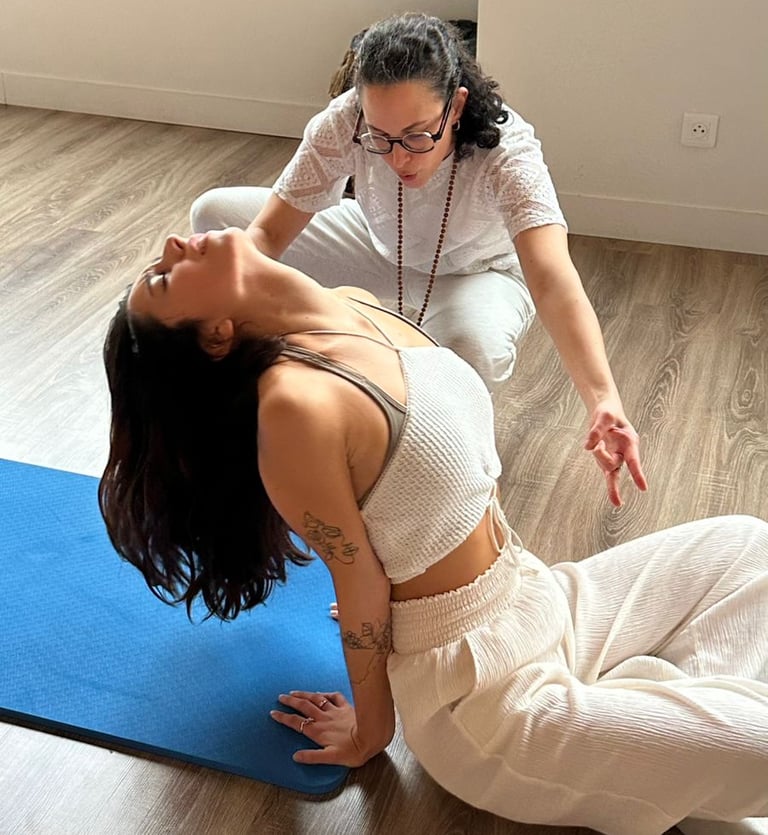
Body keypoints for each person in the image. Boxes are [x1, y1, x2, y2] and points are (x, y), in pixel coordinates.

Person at [99, 227, 768, 835]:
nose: (172, 241)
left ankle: (673, 744)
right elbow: (358, 575)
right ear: (215, 334)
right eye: (163, 278)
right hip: (486, 706)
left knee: (746, 545)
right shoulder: (295, 406)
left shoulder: (352, 304)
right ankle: (678, 744)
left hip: (541, 599)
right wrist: (370, 730)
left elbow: (413, 499)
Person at [189, 12, 647, 507]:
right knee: (215, 216)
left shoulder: (508, 151)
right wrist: (213, 314)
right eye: (380, 138)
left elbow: (555, 282)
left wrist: (604, 399)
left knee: (469, 345)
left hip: (480, 273)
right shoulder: (346, 121)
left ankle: (459, 452)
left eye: (416, 135)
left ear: (456, 106)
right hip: (378, 243)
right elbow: (268, 234)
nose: (399, 158)